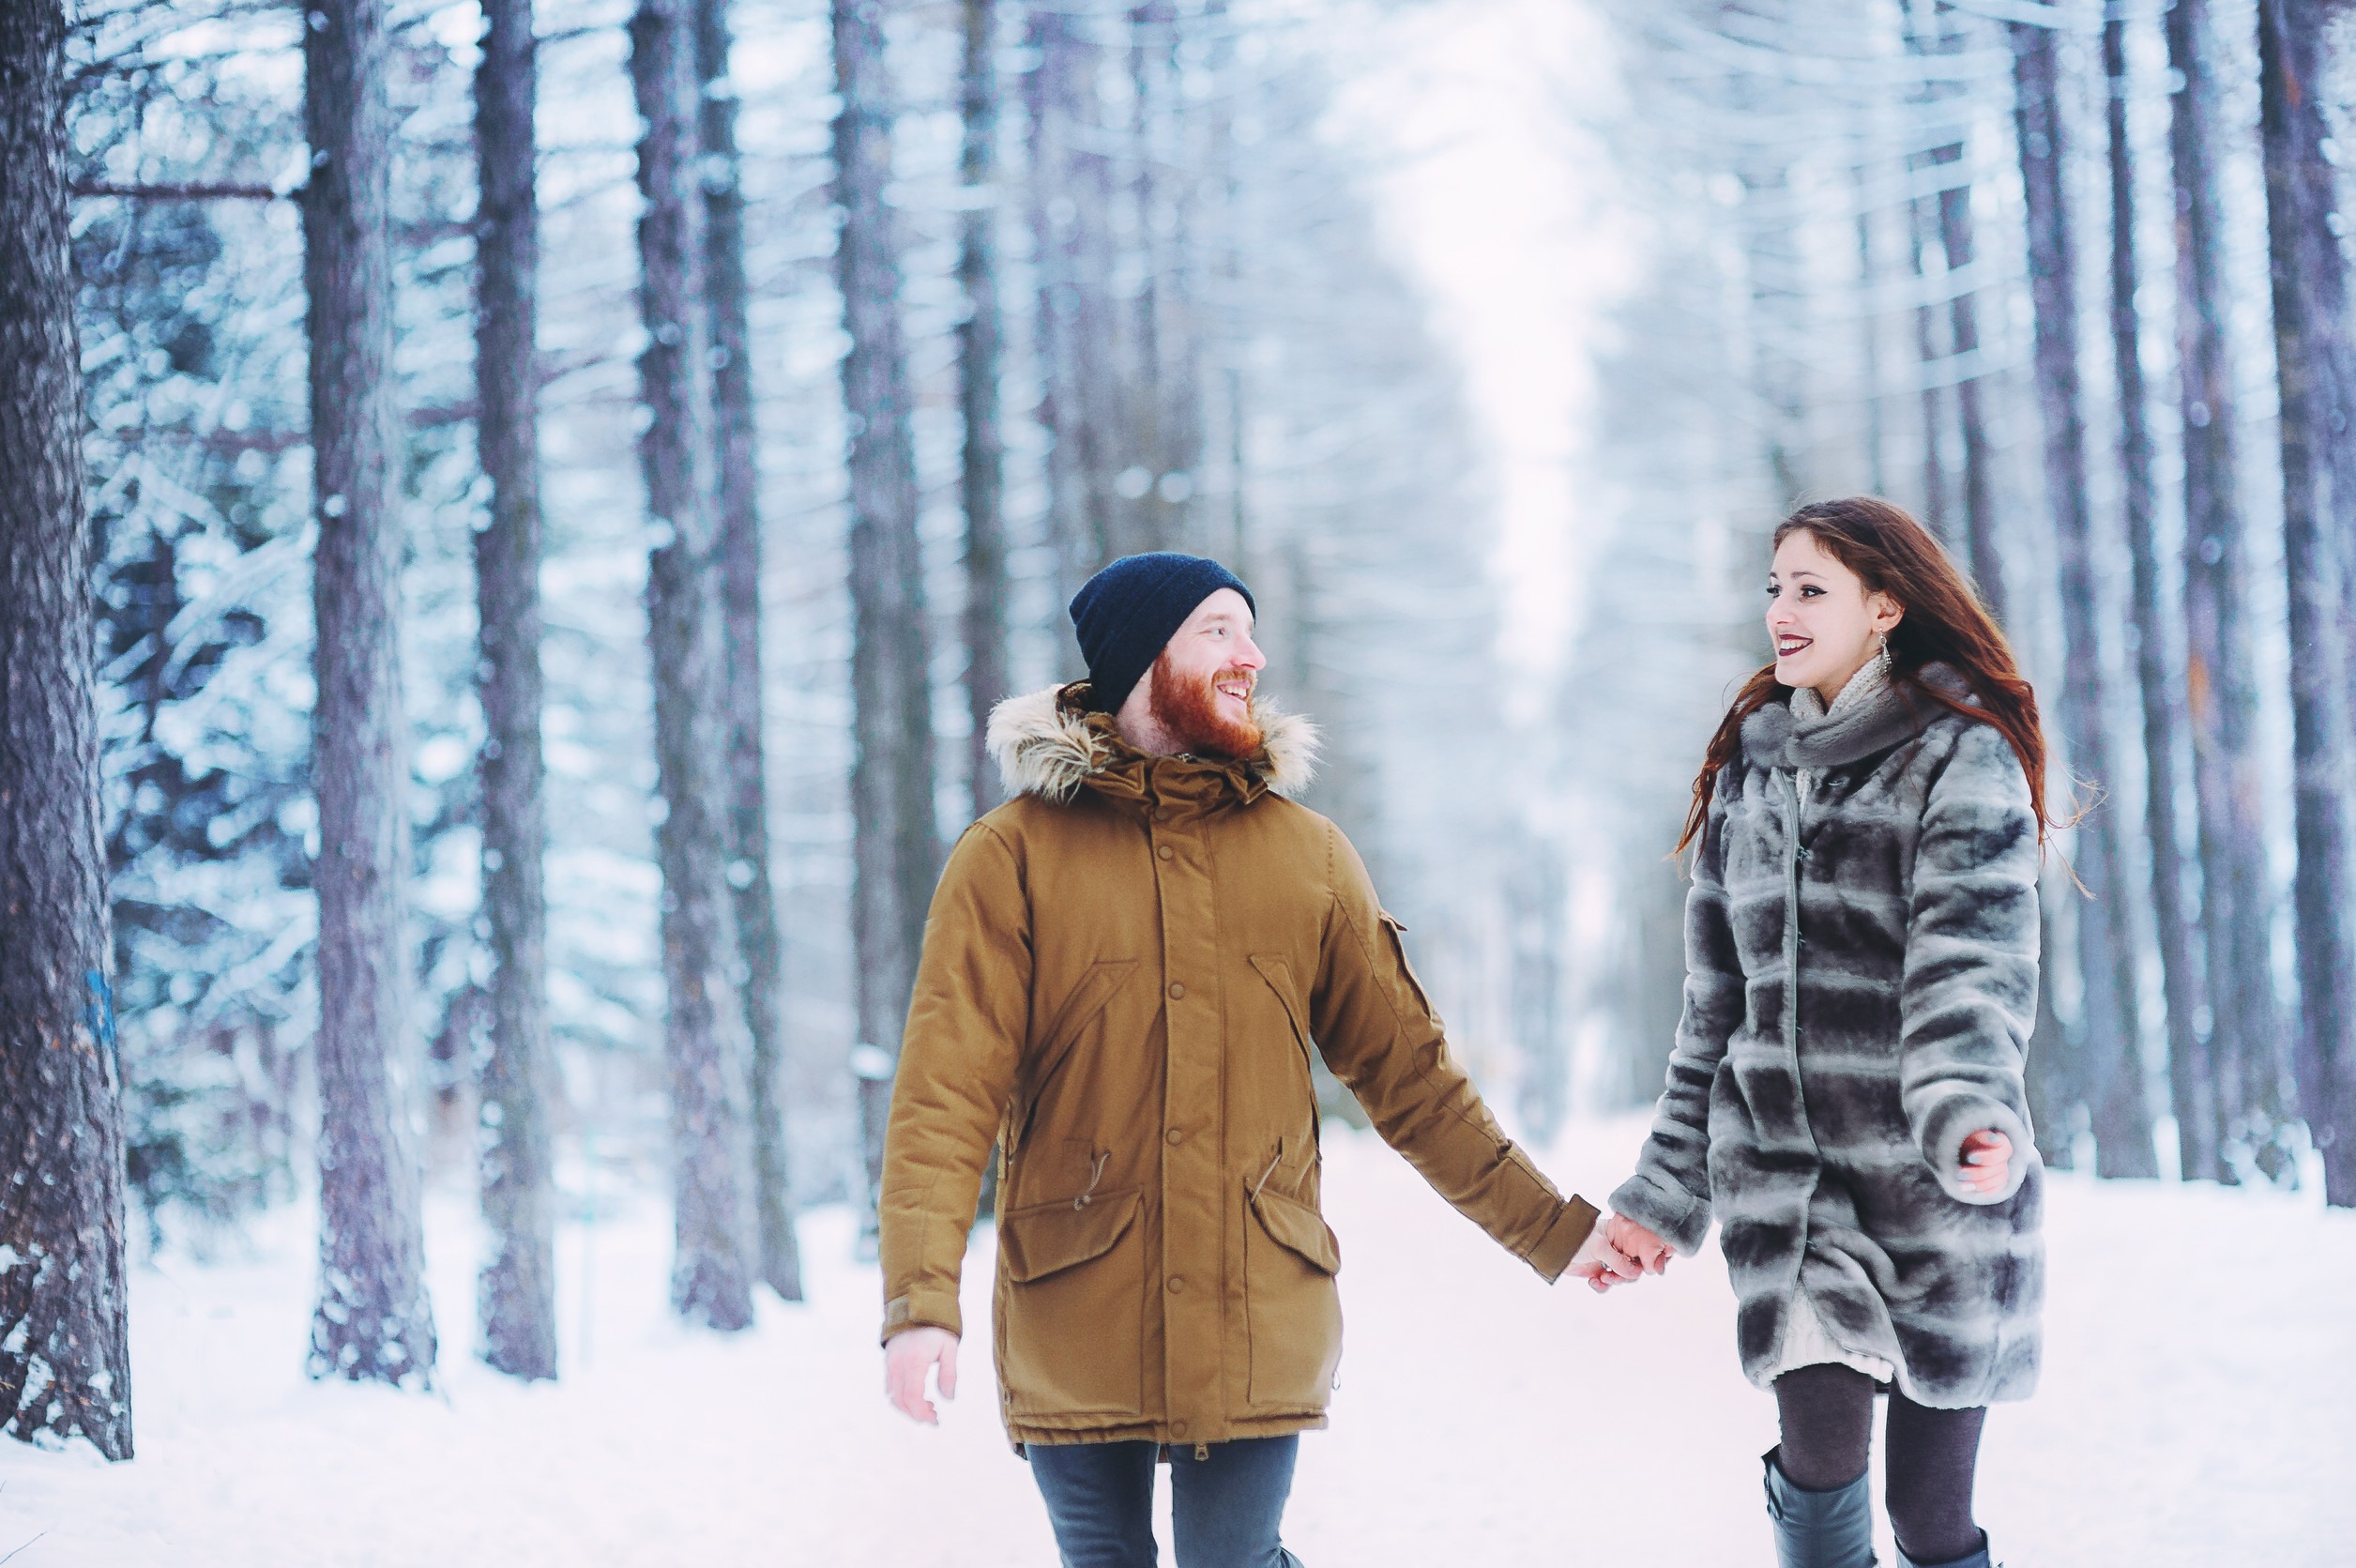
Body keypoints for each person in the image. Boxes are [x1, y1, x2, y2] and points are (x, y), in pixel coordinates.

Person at [875, 552, 1640, 1568]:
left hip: (1256, 1293)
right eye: (1220, 630)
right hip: (1074, 1296)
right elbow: (944, 1093)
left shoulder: (1308, 855)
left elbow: (1414, 1083)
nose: (1254, 655)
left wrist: (1557, 1232)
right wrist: (917, 1305)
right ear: (1146, 656)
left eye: (1250, 629)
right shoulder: (1011, 857)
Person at [1599, 498, 2048, 1568]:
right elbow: (1713, 1012)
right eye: (1774, 590)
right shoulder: (1750, 775)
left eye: (1811, 590)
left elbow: (1971, 967)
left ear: (1884, 606)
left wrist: (1969, 1116)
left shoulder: (1959, 757)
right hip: (1790, 1187)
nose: (1782, 613)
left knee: (1927, 1519)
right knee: (1822, 1458)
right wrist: (1662, 1196)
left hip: (1937, 1184)